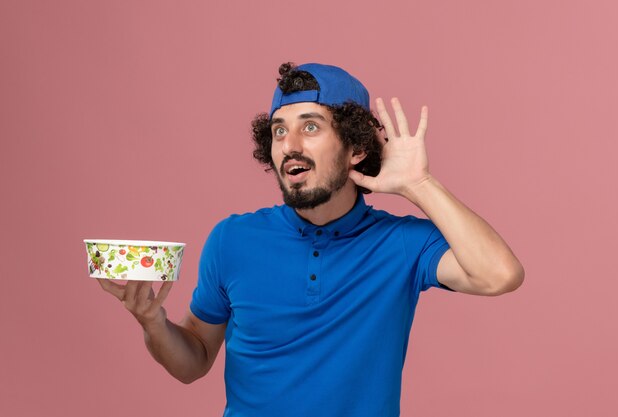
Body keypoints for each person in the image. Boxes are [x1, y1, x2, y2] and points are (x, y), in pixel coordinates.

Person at [98, 62, 524, 417]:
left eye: (311, 127)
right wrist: (152, 322)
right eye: (279, 131)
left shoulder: (401, 244)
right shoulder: (231, 240)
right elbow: (193, 361)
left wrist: (420, 184)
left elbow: (499, 275)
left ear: (356, 148)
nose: (290, 145)